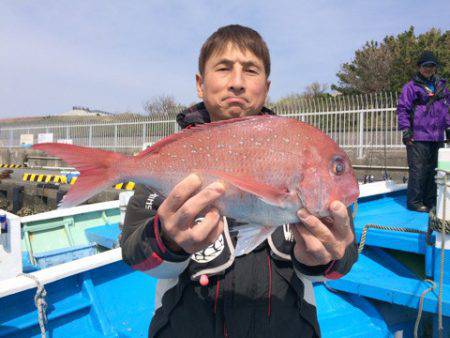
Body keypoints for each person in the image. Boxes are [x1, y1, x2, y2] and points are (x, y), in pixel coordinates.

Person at [120, 25, 357, 338]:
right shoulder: (172, 159)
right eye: (223, 68)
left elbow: (341, 261)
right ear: (200, 84)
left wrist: (327, 256)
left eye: (250, 70)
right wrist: (168, 239)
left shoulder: (298, 149)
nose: (237, 83)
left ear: (267, 86)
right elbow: (134, 255)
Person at [397, 51, 450, 213]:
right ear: (419, 67)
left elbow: (446, 109)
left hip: (437, 136)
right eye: (425, 66)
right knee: (418, 169)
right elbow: (403, 109)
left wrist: (448, 127)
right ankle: (415, 201)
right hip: (418, 136)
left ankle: (430, 200)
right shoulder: (411, 87)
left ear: (435, 68)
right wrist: (406, 130)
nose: (428, 69)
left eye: (432, 66)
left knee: (435, 169)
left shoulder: (441, 86)